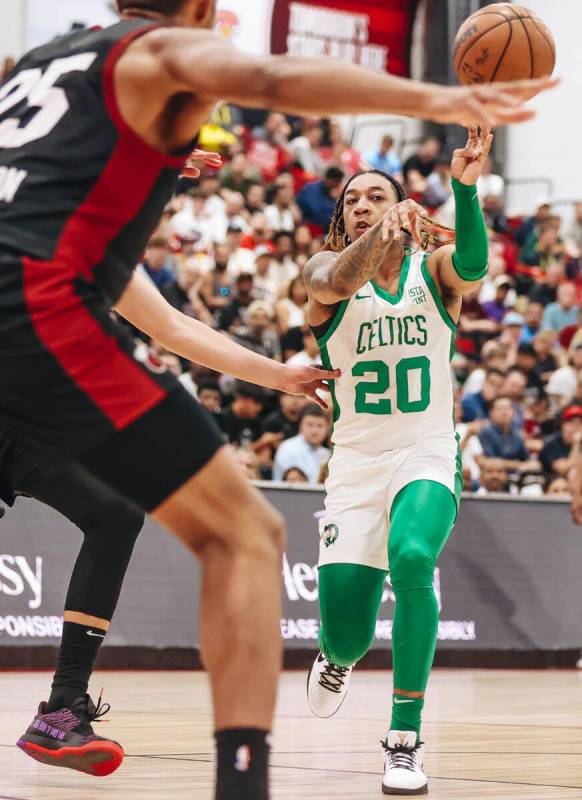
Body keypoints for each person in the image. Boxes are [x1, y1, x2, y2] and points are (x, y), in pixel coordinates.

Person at [0, 0, 555, 794]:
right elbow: (272, 75)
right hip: (36, 320)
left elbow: (172, 325)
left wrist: (282, 374)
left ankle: (64, 710)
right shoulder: (153, 53)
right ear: (195, 11)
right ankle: (244, 776)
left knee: (127, 514)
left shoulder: (48, 65)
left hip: (419, 445)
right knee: (246, 539)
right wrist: (442, 99)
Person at [302, 126, 494, 795]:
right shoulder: (322, 276)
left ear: (402, 207)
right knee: (349, 636)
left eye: (376, 196)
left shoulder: (430, 272)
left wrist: (464, 190)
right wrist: (375, 237)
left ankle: (404, 738)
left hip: (426, 448)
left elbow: (472, 266)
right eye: (352, 200)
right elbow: (337, 274)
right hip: (354, 464)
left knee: (413, 556)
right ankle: (337, 656)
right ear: (341, 216)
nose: (361, 204)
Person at [478, 397, 539, 474]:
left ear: (513, 412)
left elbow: (526, 459)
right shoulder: (485, 432)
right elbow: (491, 461)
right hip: (494, 475)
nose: (504, 413)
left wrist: (532, 464)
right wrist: (518, 465)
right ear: (491, 412)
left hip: (517, 474)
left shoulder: (516, 433)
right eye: (500, 409)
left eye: (507, 408)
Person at [272, 405, 330, 483]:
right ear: (301, 426)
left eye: (319, 426)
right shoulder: (289, 448)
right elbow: (294, 483)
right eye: (310, 425)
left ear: (327, 428)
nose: (314, 431)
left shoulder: (326, 454)